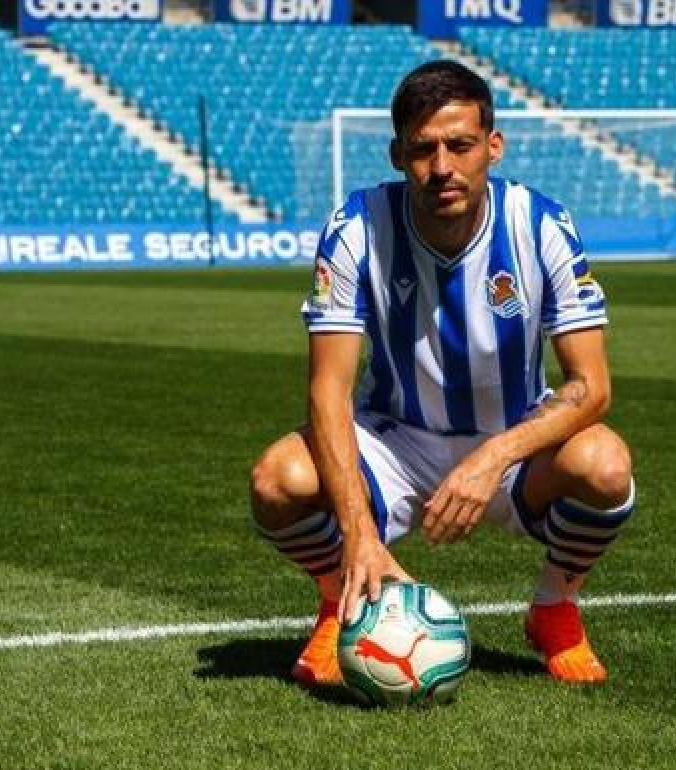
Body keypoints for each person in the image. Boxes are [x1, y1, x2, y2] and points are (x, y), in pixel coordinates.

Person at [250, 60, 635, 687]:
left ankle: (555, 608)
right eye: (423, 149)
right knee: (276, 481)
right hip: (396, 440)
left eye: (460, 145)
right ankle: (338, 603)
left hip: (514, 443)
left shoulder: (542, 226)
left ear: (493, 146)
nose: (442, 167)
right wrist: (358, 538)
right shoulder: (357, 229)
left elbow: (590, 386)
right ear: (399, 153)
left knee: (607, 465)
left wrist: (492, 458)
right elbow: (328, 390)